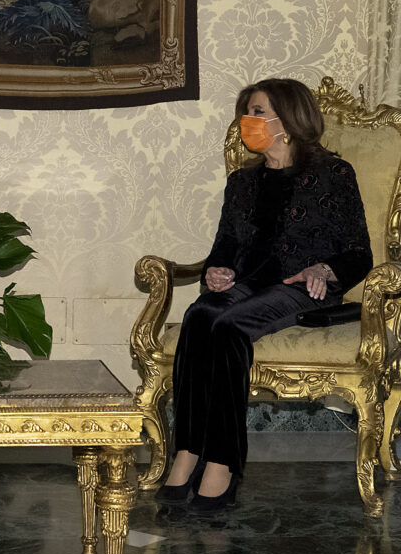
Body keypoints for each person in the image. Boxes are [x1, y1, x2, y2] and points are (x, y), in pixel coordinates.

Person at [155, 78, 373, 513]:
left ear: (288, 120)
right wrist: (216, 272)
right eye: (246, 112)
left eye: (256, 111)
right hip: (247, 283)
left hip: (302, 288)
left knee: (229, 326)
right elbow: (223, 248)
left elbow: (358, 253)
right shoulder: (242, 182)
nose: (246, 121)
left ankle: (222, 461)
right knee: (201, 315)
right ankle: (188, 451)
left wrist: (324, 269)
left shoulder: (333, 174)